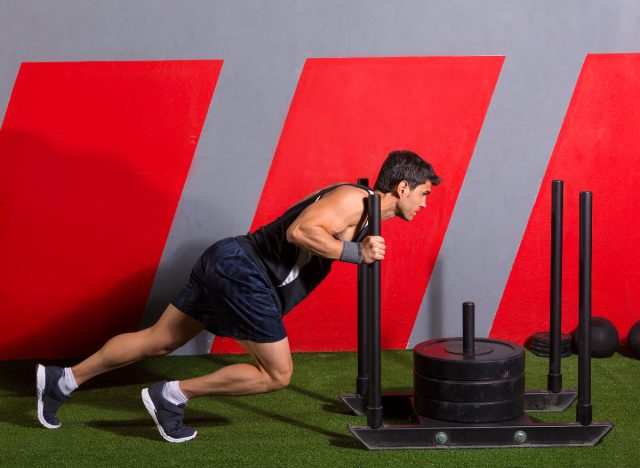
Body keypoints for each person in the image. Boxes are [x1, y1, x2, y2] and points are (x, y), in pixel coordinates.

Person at [36, 149, 441, 442]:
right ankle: (172, 395)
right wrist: (356, 252)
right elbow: (299, 232)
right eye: (423, 194)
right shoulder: (355, 198)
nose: (424, 204)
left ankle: (64, 380)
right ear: (403, 187)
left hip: (228, 260)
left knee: (159, 340)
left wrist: (361, 246)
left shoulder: (365, 212)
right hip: (246, 271)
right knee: (277, 375)